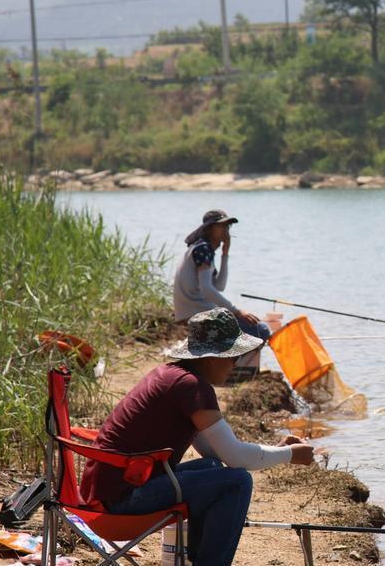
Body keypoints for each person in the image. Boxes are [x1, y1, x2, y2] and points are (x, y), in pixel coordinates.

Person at [80, 308, 314, 566]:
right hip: (120, 501)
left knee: (214, 468)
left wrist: (276, 450)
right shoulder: (193, 388)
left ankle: (196, 561)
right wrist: (290, 455)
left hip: (109, 491)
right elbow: (235, 457)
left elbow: (216, 453)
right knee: (237, 482)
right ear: (213, 357)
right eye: (233, 357)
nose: (235, 364)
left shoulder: (172, 376)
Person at [174, 209, 267, 369]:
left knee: (251, 329)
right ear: (210, 228)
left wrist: (225, 253)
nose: (226, 230)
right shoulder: (203, 249)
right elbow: (207, 290)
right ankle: (230, 369)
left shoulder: (202, 249)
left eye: (227, 226)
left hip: (194, 310)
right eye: (222, 226)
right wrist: (236, 311)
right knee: (260, 330)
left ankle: (225, 365)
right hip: (197, 312)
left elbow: (219, 286)